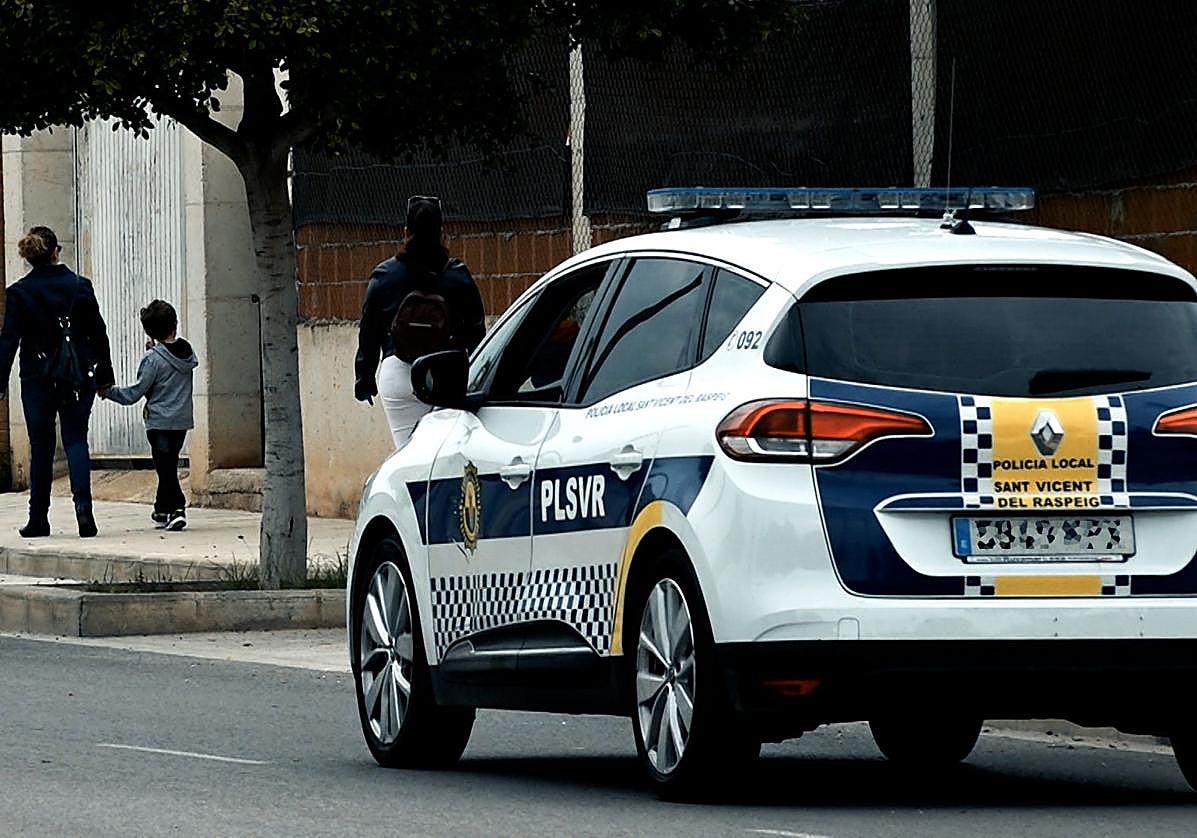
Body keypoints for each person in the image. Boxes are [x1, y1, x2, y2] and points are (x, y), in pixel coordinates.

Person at [0, 226, 114, 538]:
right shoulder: (80, 286)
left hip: (37, 379)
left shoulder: (19, 293)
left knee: (42, 448)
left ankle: (38, 518)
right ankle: (84, 512)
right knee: (77, 440)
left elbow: (8, 340)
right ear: (56, 252)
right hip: (77, 377)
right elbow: (98, 334)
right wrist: (104, 377)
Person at [354, 196, 485, 447]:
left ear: (406, 231)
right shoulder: (457, 274)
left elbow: (369, 331)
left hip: (398, 374)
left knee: (408, 457)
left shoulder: (385, 275)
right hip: (446, 377)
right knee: (446, 460)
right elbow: (476, 331)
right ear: (441, 231)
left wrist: (365, 378)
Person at [100, 300, 198, 531]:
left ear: (149, 331)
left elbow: (135, 393)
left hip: (159, 421)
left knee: (166, 469)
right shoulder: (187, 352)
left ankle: (178, 508)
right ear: (175, 323)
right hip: (181, 419)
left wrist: (108, 392)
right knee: (168, 462)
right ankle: (161, 508)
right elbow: (168, 367)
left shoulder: (152, 359)